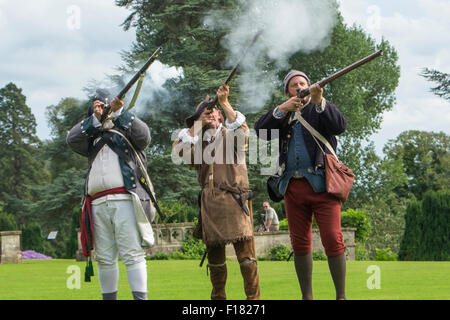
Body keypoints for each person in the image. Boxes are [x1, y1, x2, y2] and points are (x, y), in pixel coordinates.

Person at [254, 70, 348, 300]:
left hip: (323, 186)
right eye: (294, 85)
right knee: (299, 243)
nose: (299, 87)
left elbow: (339, 126)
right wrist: (283, 109)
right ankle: (307, 297)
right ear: (288, 91)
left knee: (332, 238)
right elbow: (261, 131)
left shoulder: (319, 108)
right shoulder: (284, 115)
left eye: (302, 83)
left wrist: (319, 101)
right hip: (293, 188)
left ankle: (341, 296)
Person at [173, 84, 260, 300]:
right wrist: (197, 124)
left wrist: (224, 102)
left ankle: (254, 301)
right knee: (216, 262)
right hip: (210, 205)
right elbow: (179, 153)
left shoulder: (231, 136)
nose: (210, 114)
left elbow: (243, 131)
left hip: (236, 201)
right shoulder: (198, 144)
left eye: (213, 112)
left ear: (220, 116)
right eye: (206, 112)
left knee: (247, 259)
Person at [67, 89, 156, 300]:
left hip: (125, 199)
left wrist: (119, 112)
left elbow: (145, 136)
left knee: (133, 255)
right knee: (105, 259)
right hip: (97, 203)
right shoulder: (92, 137)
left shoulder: (127, 130)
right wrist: (95, 120)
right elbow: (72, 139)